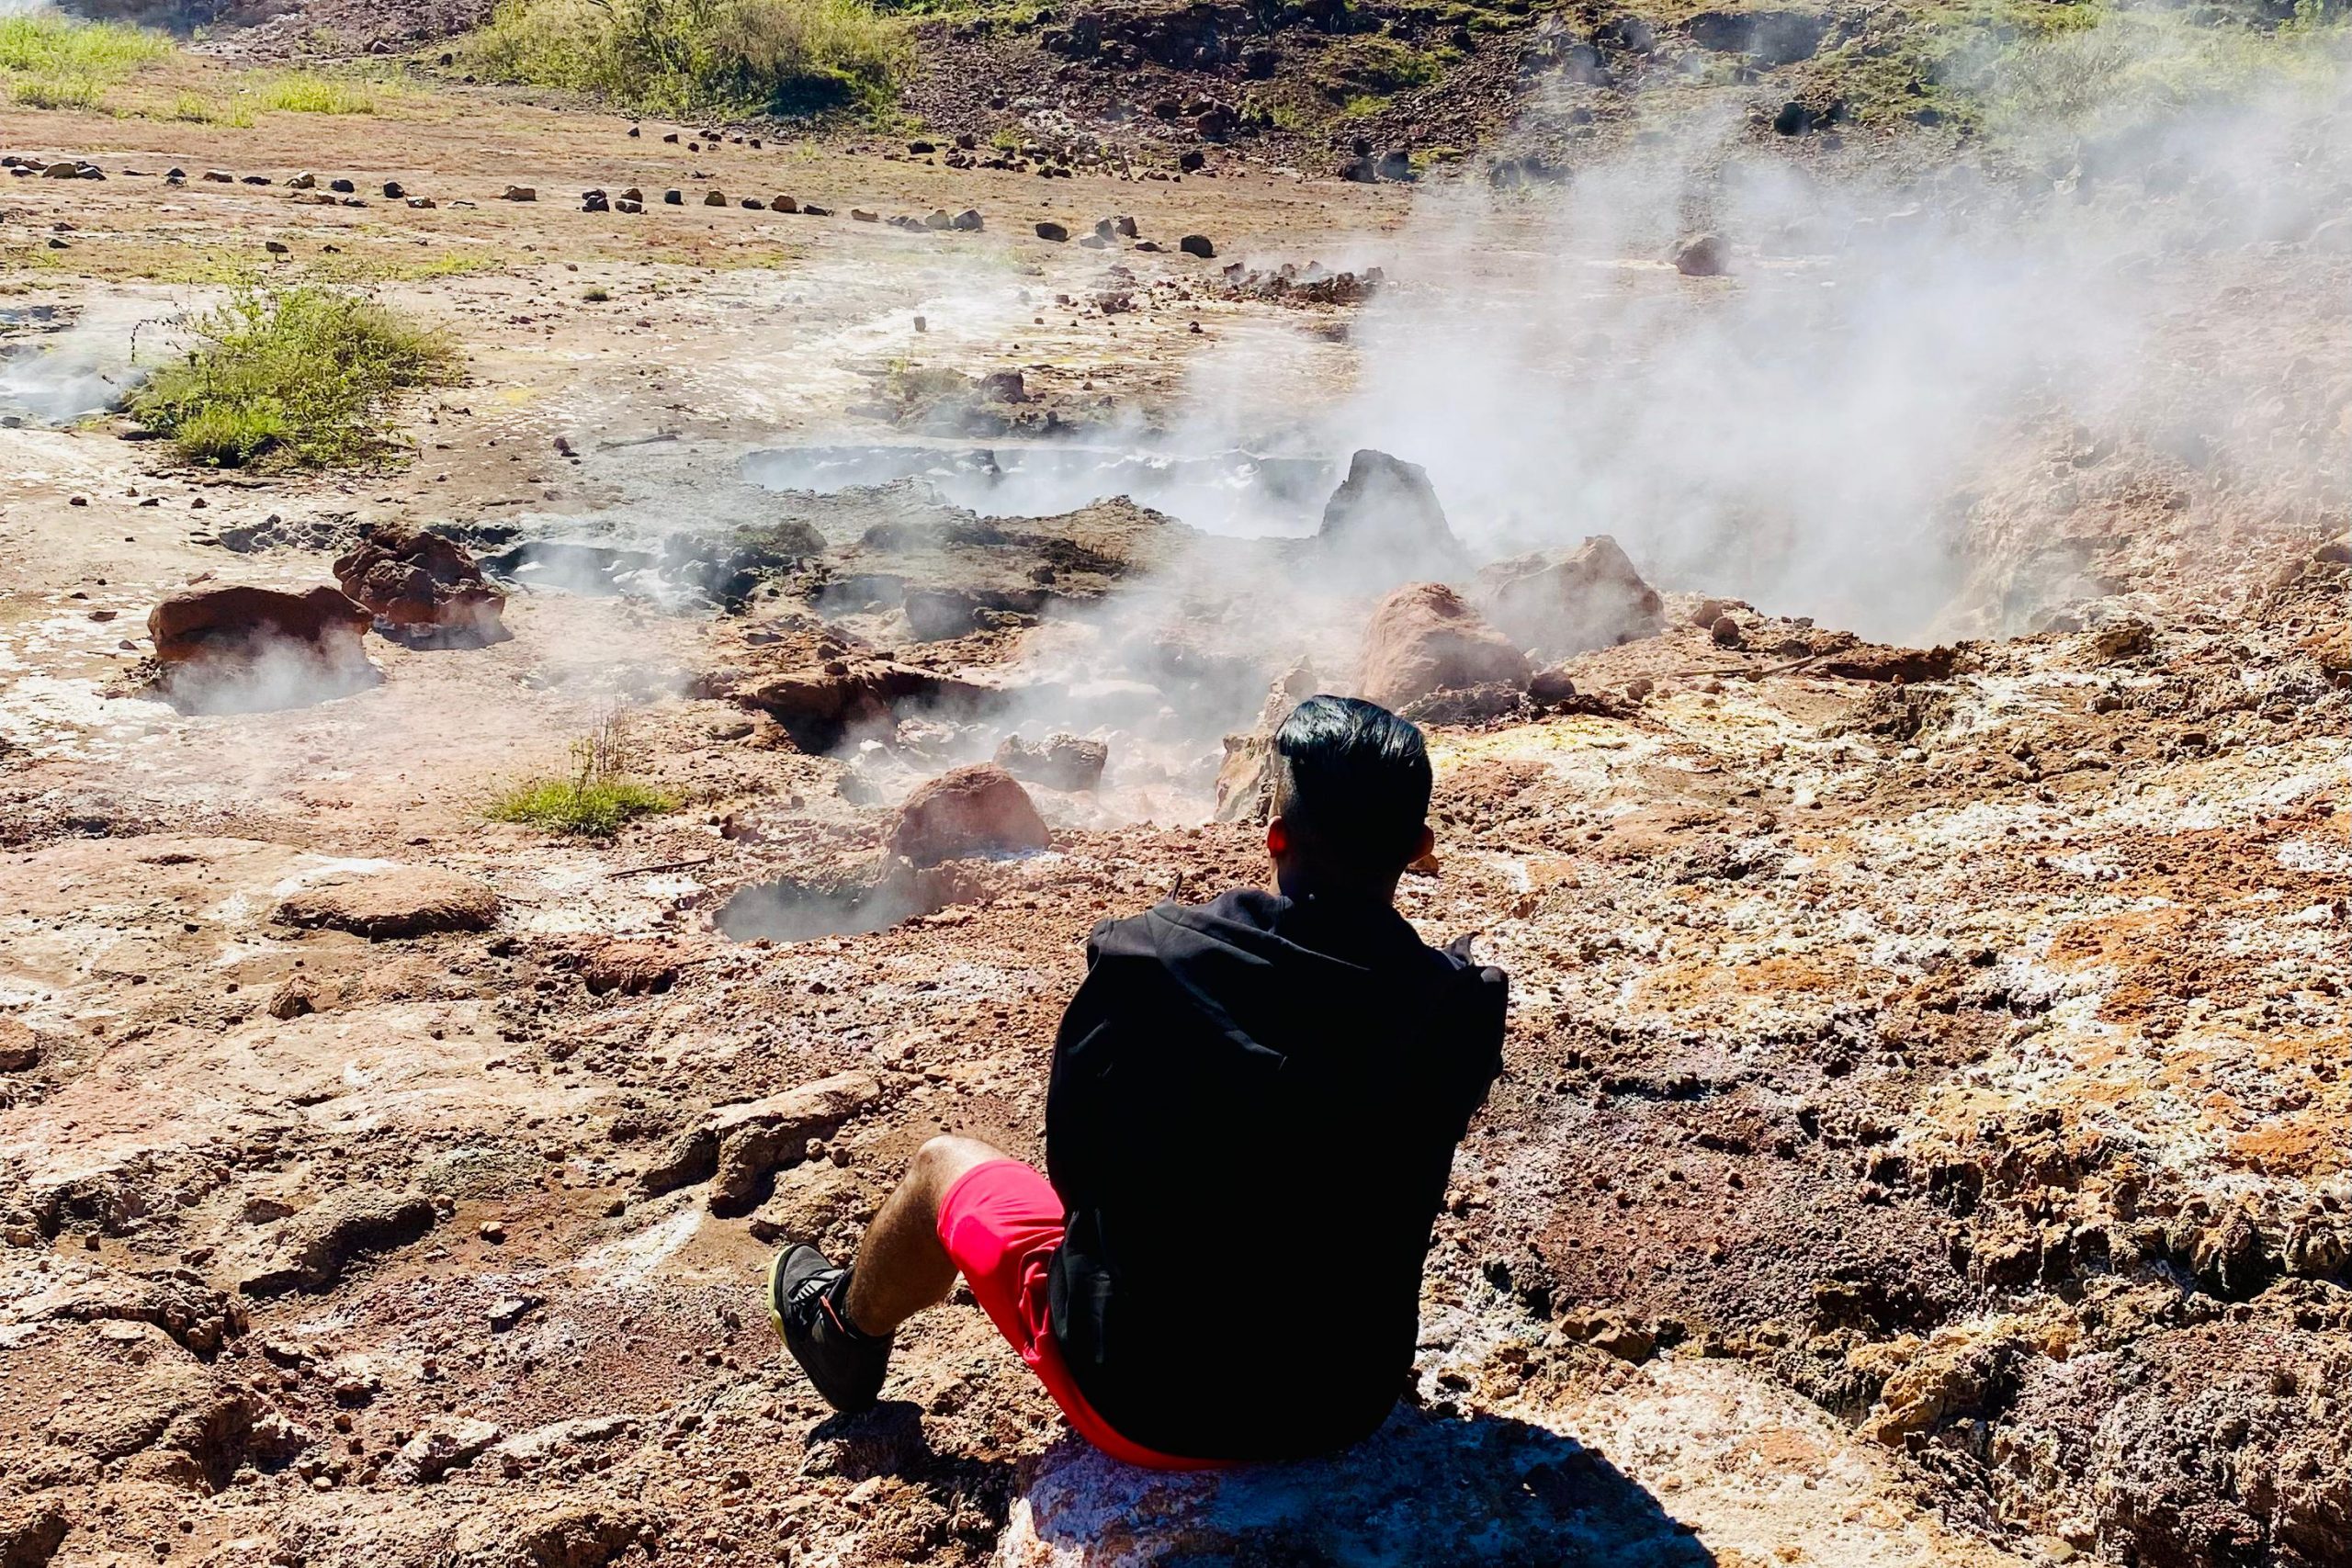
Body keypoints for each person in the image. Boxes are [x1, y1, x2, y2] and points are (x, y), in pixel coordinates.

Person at [767, 694, 1509, 1467]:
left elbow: (1075, 1177)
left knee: (942, 1167)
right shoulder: (1462, 1004)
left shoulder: (1150, 960)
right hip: (1344, 1401)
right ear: (1420, 846)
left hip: (1144, 1405)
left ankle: (839, 1332)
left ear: (1274, 835)